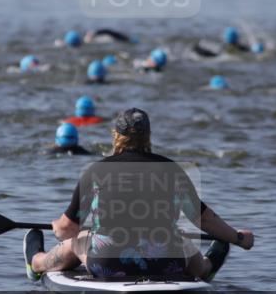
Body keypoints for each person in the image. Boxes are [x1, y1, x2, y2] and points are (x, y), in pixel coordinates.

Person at [26, 108, 254, 282]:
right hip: (167, 265)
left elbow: (68, 228)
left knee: (77, 241)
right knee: (181, 241)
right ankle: (205, 268)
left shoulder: (97, 171)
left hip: (109, 265)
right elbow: (204, 219)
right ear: (148, 136)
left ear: (116, 135)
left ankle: (36, 263)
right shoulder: (172, 170)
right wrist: (238, 238)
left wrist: (58, 228)